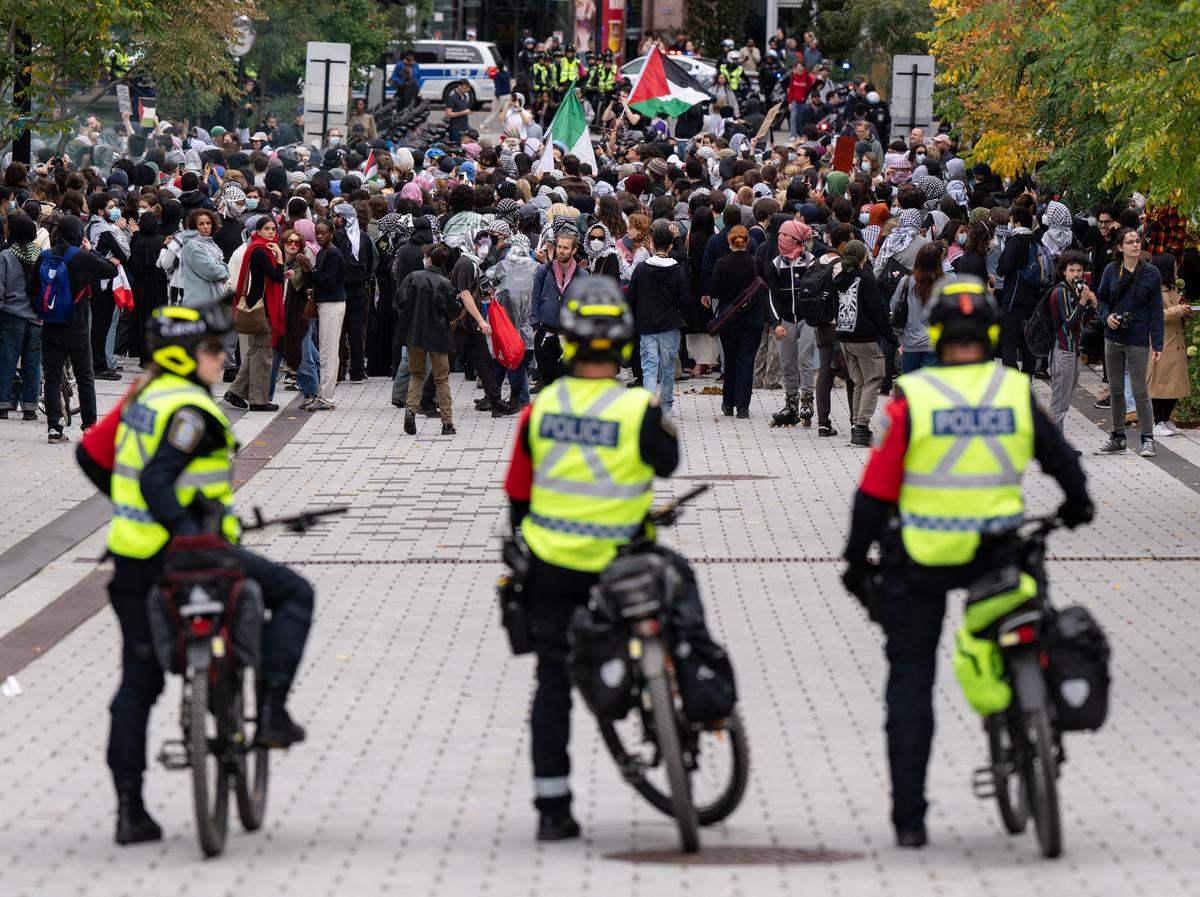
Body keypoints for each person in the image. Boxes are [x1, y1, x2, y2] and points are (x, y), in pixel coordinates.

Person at [841, 273, 1093, 850]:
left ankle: (909, 819)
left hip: (920, 559)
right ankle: (1033, 722)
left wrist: (856, 560)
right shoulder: (1012, 393)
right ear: (990, 332)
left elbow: (876, 490)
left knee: (911, 679)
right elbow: (1061, 459)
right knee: (1030, 630)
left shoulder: (914, 400)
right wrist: (1078, 507)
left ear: (936, 334)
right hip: (998, 555)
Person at [75, 301, 314, 846]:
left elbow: (90, 455)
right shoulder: (190, 411)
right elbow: (160, 479)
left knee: (139, 681)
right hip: (191, 557)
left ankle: (130, 810)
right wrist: (186, 532)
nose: (222, 356)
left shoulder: (142, 397)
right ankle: (273, 709)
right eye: (213, 348)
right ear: (186, 357)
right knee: (295, 592)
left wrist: (125, 502)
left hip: (132, 560)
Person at [501, 276, 678, 842]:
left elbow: (518, 496)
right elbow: (667, 464)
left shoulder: (541, 408)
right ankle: (672, 713)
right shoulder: (637, 408)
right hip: (626, 565)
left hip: (554, 568)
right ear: (624, 345)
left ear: (569, 344)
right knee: (672, 624)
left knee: (552, 682)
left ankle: (553, 808)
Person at [29, 215, 110, 443]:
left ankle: (54, 429)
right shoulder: (82, 257)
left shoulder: (45, 256)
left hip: (51, 327)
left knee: (52, 378)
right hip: (78, 326)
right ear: (78, 233)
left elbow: (31, 288)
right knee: (85, 377)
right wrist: (91, 250)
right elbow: (110, 271)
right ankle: (89, 428)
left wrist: (45, 309)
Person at [1094, 227, 1164, 457]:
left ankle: (1147, 438)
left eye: (1137, 240)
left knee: (1139, 389)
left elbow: (1156, 310)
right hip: (1113, 337)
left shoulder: (1151, 273)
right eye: (1130, 241)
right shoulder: (1111, 271)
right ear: (1120, 247)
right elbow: (1101, 299)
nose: (1135, 245)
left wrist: (1158, 343)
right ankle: (1117, 436)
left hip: (1138, 337)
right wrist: (1107, 318)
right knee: (1115, 389)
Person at [765, 219, 825, 428]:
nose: (781, 239)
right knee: (787, 362)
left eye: (786, 235)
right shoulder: (775, 264)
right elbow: (771, 295)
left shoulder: (810, 261)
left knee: (804, 359)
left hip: (807, 319)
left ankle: (807, 401)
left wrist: (816, 315)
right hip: (786, 320)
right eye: (780, 235)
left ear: (798, 239)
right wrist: (775, 322)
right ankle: (791, 402)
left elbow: (818, 291)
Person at [626, 221, 687, 418]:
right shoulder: (677, 270)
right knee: (668, 366)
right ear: (670, 246)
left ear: (652, 244)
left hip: (647, 324)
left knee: (649, 367)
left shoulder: (642, 269)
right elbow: (685, 298)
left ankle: (650, 407)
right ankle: (666, 405)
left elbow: (631, 297)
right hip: (669, 323)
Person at [224, 216, 285, 412]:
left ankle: (235, 392)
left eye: (273, 229)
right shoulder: (261, 250)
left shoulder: (259, 248)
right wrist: (280, 258)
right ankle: (258, 400)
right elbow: (275, 276)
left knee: (255, 353)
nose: (271, 232)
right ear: (257, 231)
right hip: (262, 307)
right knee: (262, 356)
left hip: (257, 303)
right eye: (266, 229)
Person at [834, 240, 891, 446]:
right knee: (874, 379)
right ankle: (861, 427)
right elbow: (878, 311)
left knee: (858, 382)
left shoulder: (840, 278)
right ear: (863, 256)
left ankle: (855, 425)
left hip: (844, 336)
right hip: (864, 338)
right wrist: (891, 337)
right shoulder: (865, 279)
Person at [398, 244, 458, 436]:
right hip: (438, 336)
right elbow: (453, 312)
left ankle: (410, 409)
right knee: (441, 378)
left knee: (416, 374)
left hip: (414, 333)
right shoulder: (445, 284)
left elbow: (399, 299)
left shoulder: (413, 277)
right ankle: (447, 423)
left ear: (429, 259)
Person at [709, 225, 767, 418]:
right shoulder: (756, 262)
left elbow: (715, 291)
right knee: (746, 360)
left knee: (730, 358)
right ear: (747, 241)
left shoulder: (721, 263)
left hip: (729, 316)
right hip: (753, 316)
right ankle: (742, 405)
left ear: (729, 241)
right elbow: (764, 288)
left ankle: (728, 402)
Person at [1045, 249, 1097, 435]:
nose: (1076, 274)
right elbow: (1069, 321)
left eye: (1079, 270)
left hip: (1073, 351)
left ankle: (1057, 443)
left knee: (1064, 402)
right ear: (1064, 271)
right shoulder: (1061, 292)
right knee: (1058, 403)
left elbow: (1085, 320)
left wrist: (1092, 302)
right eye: (1072, 270)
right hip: (1063, 351)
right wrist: (1083, 302)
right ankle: (1053, 447)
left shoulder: (1074, 291)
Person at [531, 230, 589, 388]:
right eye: (559, 247)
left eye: (565, 248)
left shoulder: (582, 275)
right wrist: (535, 325)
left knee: (567, 380)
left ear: (574, 250)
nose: (561, 251)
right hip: (546, 331)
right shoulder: (544, 270)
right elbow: (535, 298)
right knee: (548, 379)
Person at [0, 214, 42, 420]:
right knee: (32, 363)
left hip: (12, 316)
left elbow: (0, 288)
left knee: (7, 361)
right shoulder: (41, 255)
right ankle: (30, 407)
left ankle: (3, 404)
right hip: (36, 318)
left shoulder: (6, 256)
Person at [1146, 253, 1191, 438]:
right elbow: (1157, 314)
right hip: (1163, 341)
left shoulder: (1171, 288)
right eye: (1174, 266)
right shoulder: (1155, 289)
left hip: (1176, 341)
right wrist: (1178, 310)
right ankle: (1157, 421)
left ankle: (1166, 418)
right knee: (1161, 383)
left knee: (1176, 383)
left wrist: (1186, 312)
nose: (1176, 268)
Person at [308, 220, 345, 410]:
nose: (319, 236)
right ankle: (323, 394)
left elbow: (329, 282)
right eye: (317, 232)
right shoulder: (323, 252)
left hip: (333, 306)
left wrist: (311, 269)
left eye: (323, 232)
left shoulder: (333, 254)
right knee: (325, 350)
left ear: (331, 233)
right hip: (325, 304)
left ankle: (327, 397)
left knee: (329, 352)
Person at [891, 242, 944, 374]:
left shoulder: (906, 282)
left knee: (910, 388)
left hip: (909, 342)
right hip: (934, 342)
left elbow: (894, 305)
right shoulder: (945, 284)